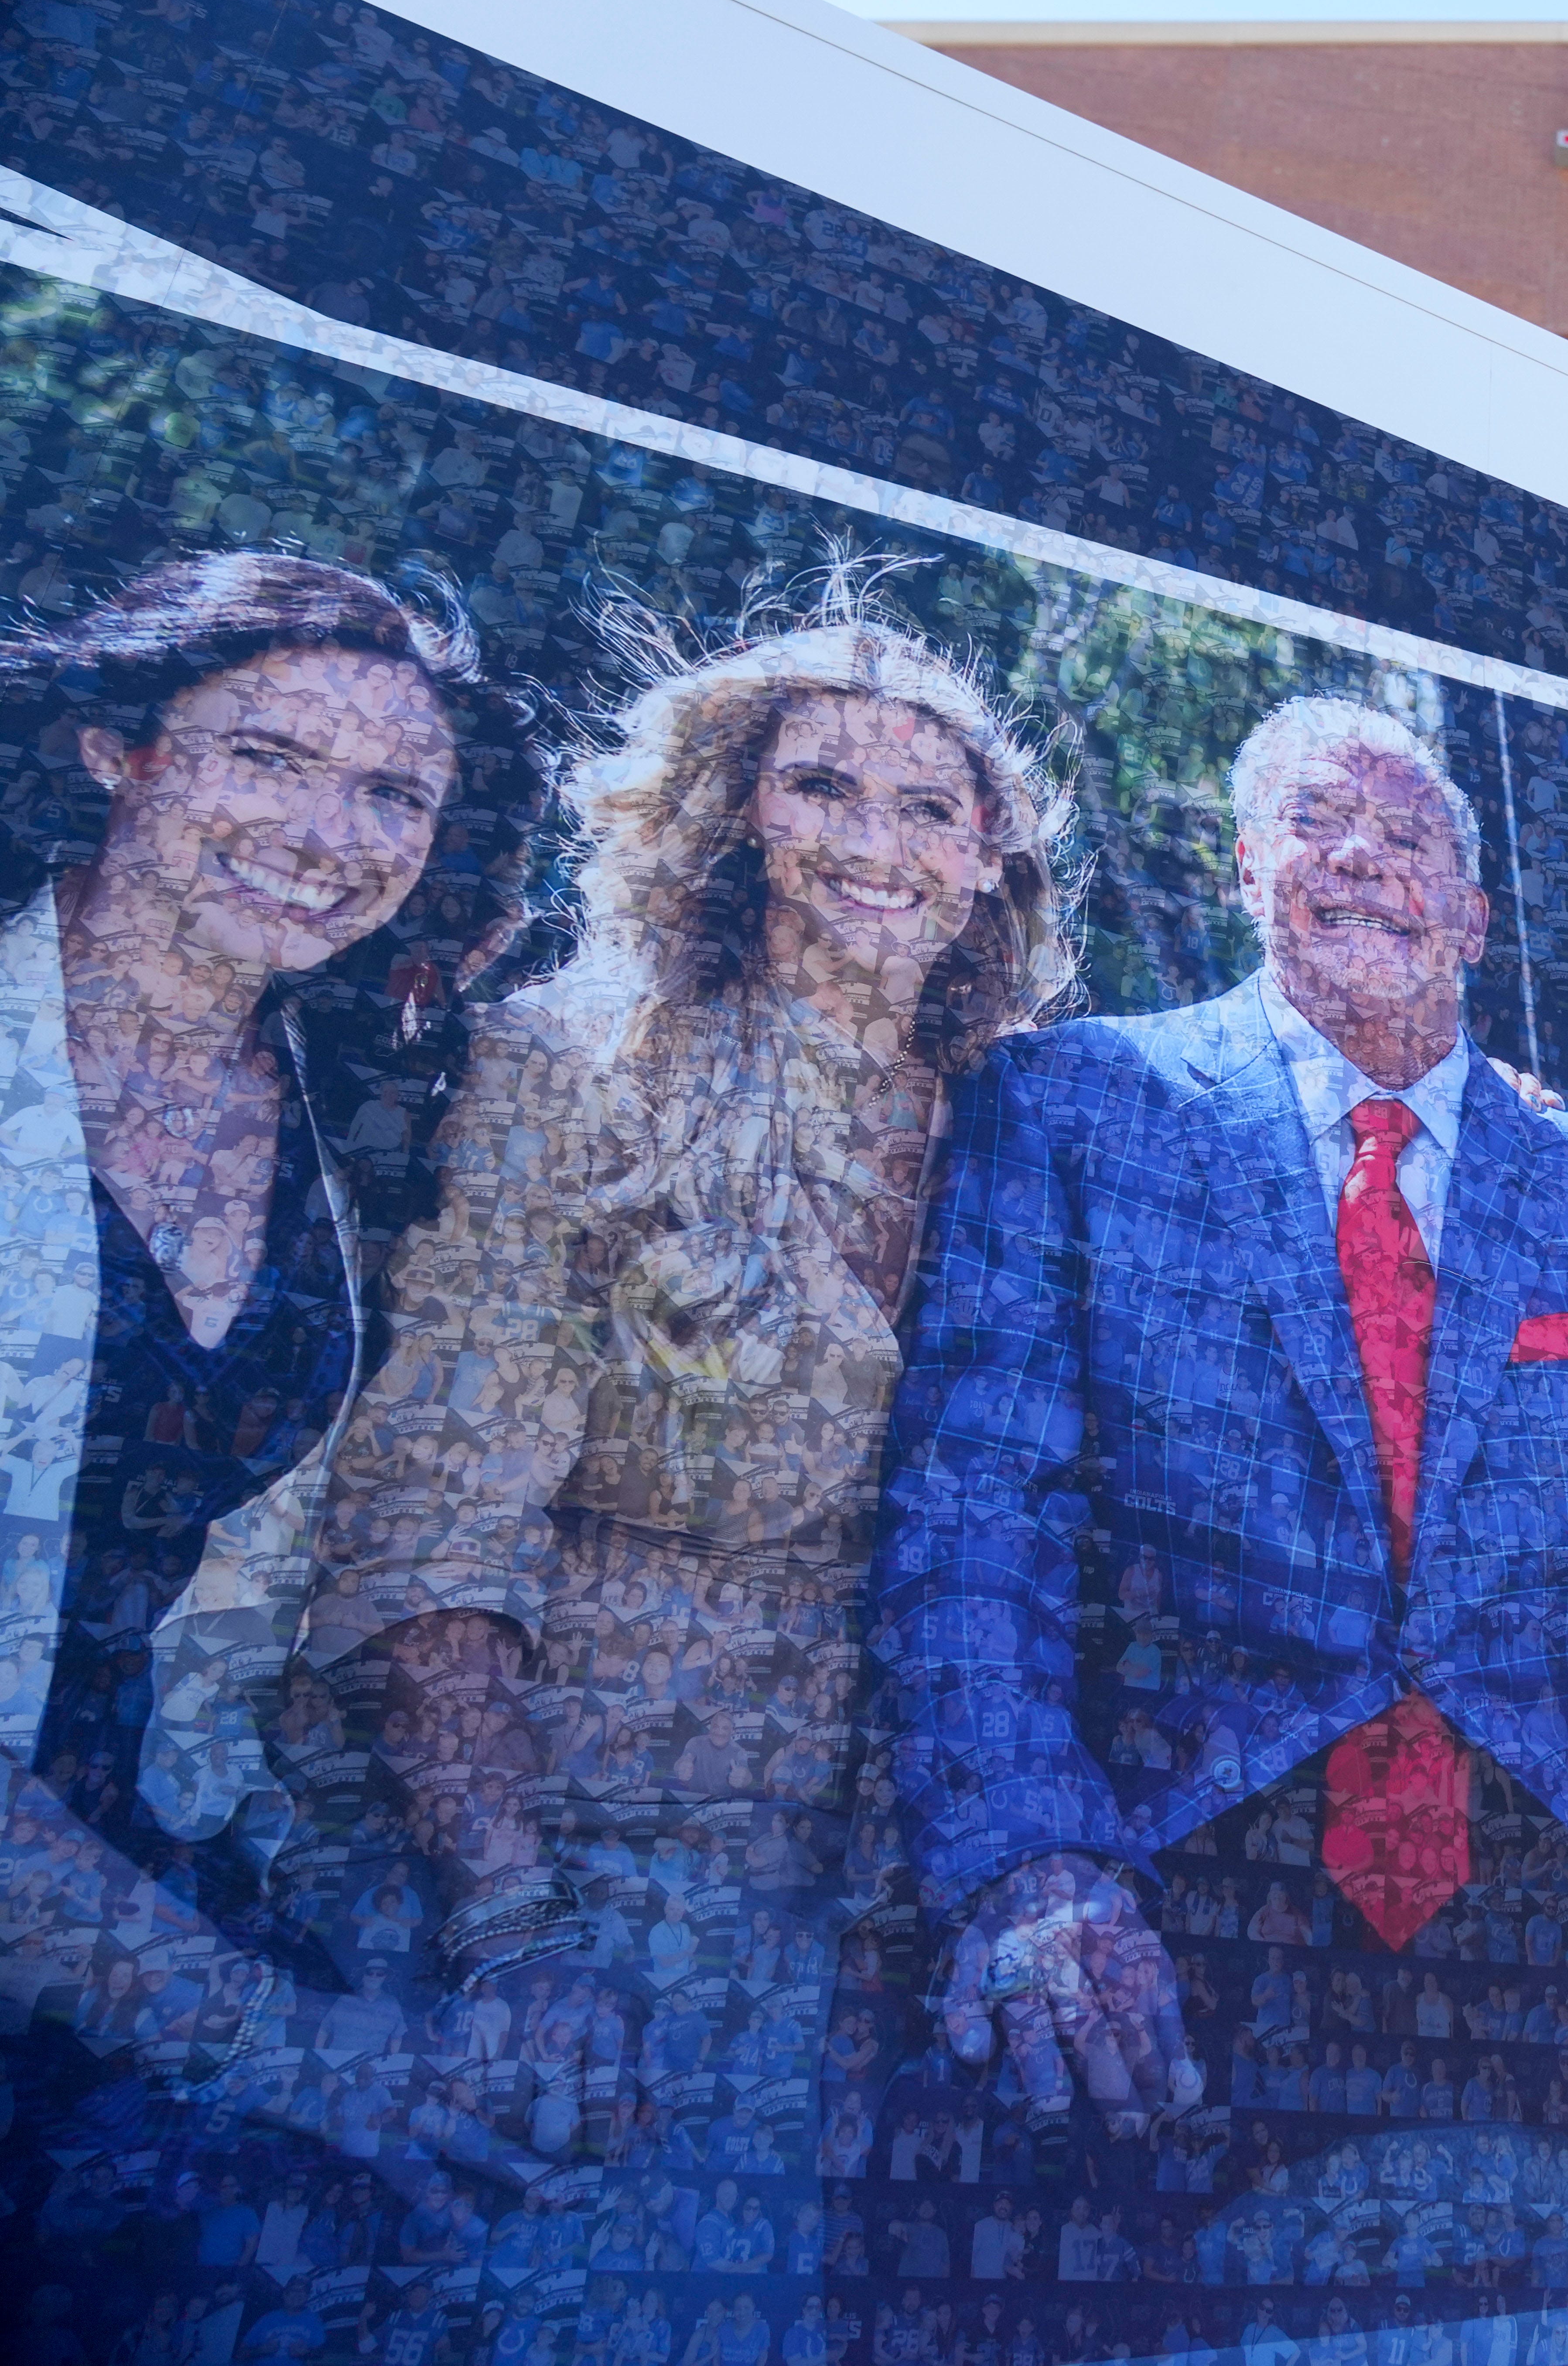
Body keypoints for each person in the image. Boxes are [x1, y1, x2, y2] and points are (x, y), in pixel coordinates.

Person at [873, 696, 1568, 2352]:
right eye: (1319, 825)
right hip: (1187, 1861)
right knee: (974, 2158)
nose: (1363, 864)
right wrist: (1031, 1867)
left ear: (1473, 916)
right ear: (1244, 865)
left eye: (1410, 842)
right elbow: (977, 1521)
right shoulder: (1077, 1110)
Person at [298, 570, 1072, 2297]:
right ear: (731, 817)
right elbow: (438, 1506)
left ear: (987, 859)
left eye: (928, 806)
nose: (875, 842)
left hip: (916, 1882)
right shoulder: (576, 1068)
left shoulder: (1036, 1114)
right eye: (822, 786)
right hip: (587, 1858)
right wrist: (513, 1923)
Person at [0, 552, 553, 2273]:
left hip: (166, 1881)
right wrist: (283, 2045)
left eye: (395, 792)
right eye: (269, 755)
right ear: (118, 747)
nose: (333, 831)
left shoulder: (363, 1100)